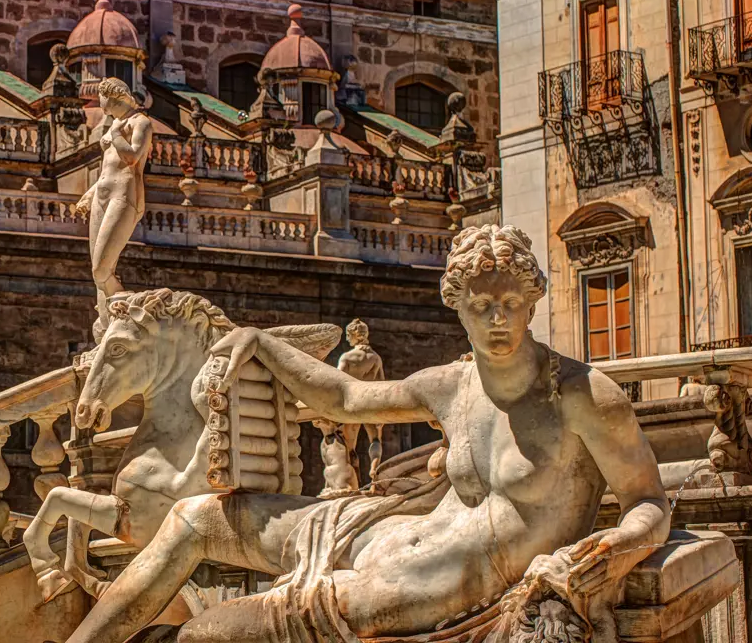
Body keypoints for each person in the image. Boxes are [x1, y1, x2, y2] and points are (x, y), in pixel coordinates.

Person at [64, 225, 669, 643]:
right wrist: (262, 342)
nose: (498, 318)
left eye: (511, 302)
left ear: (532, 303)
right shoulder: (452, 384)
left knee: (205, 634)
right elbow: (346, 399)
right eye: (482, 305)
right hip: (381, 531)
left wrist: (616, 546)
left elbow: (649, 503)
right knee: (192, 519)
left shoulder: (582, 396)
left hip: (420, 587)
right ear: (457, 308)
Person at [74, 78, 152, 338]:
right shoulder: (115, 124)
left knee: (102, 268)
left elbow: (132, 158)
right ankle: (107, 327)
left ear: (113, 96)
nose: (102, 106)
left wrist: (116, 135)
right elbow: (107, 169)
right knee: (97, 273)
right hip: (102, 195)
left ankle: (124, 313)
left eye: (103, 100)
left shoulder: (140, 122)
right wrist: (90, 194)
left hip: (124, 195)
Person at [335, 318, 385, 484]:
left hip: (352, 404)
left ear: (353, 335)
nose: (347, 339)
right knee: (375, 440)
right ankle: (374, 470)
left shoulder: (347, 357)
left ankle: (354, 482)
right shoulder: (375, 358)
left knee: (350, 446)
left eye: (348, 335)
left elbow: (336, 381)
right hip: (371, 402)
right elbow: (382, 383)